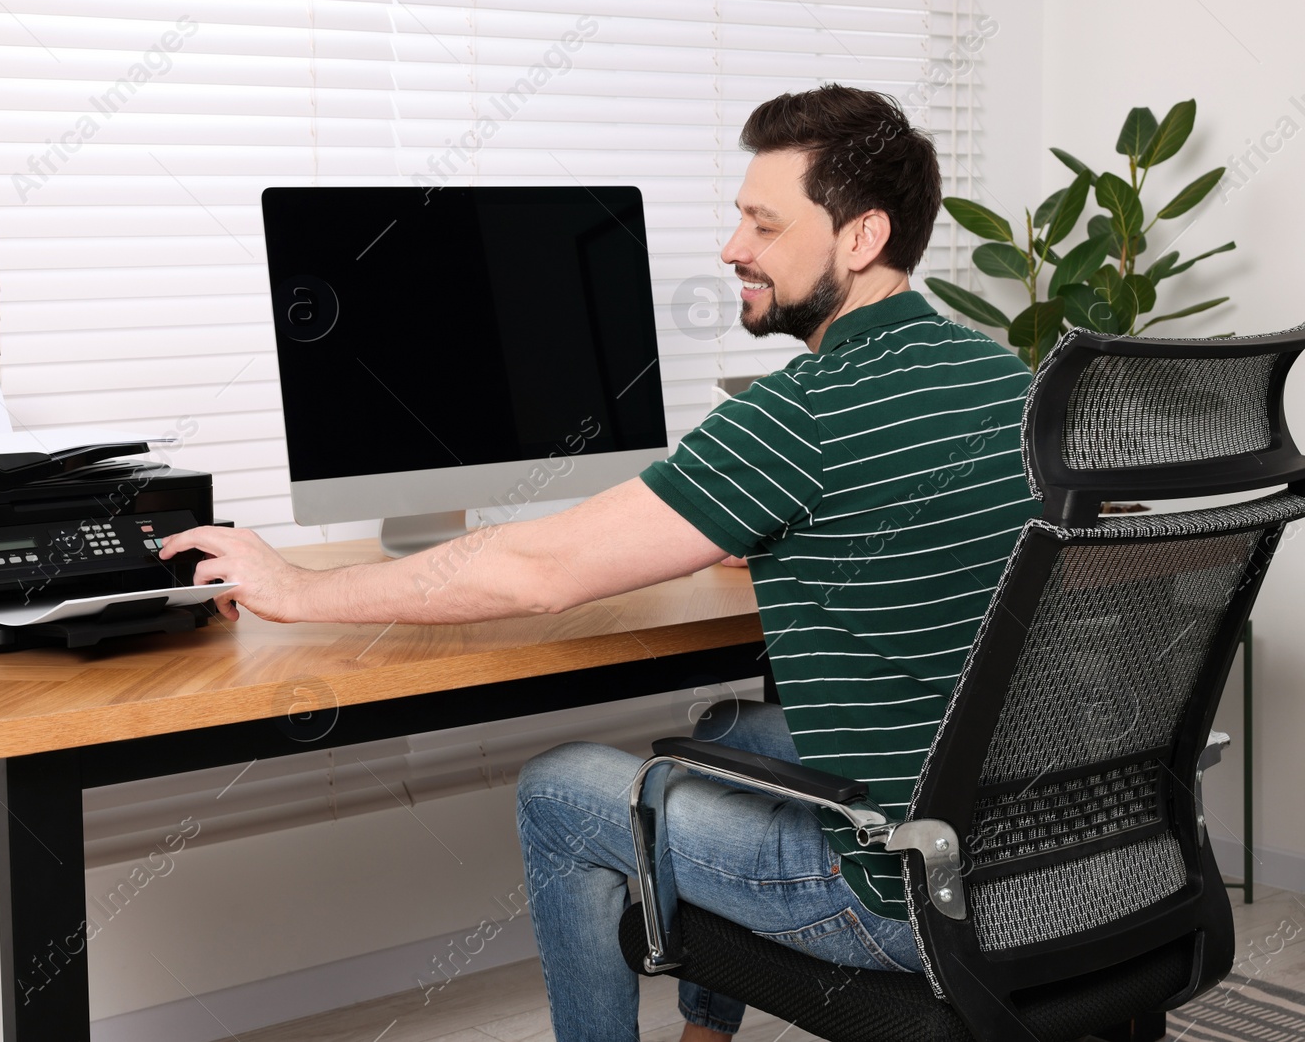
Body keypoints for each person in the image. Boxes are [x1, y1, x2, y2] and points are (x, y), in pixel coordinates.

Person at [159, 84, 1039, 1041]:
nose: (732, 247)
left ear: (861, 238)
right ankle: (709, 1030)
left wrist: (298, 588)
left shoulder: (803, 413)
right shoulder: (1009, 379)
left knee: (557, 786)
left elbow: (539, 571)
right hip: (1037, 858)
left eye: (762, 222)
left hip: (894, 896)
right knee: (732, 733)